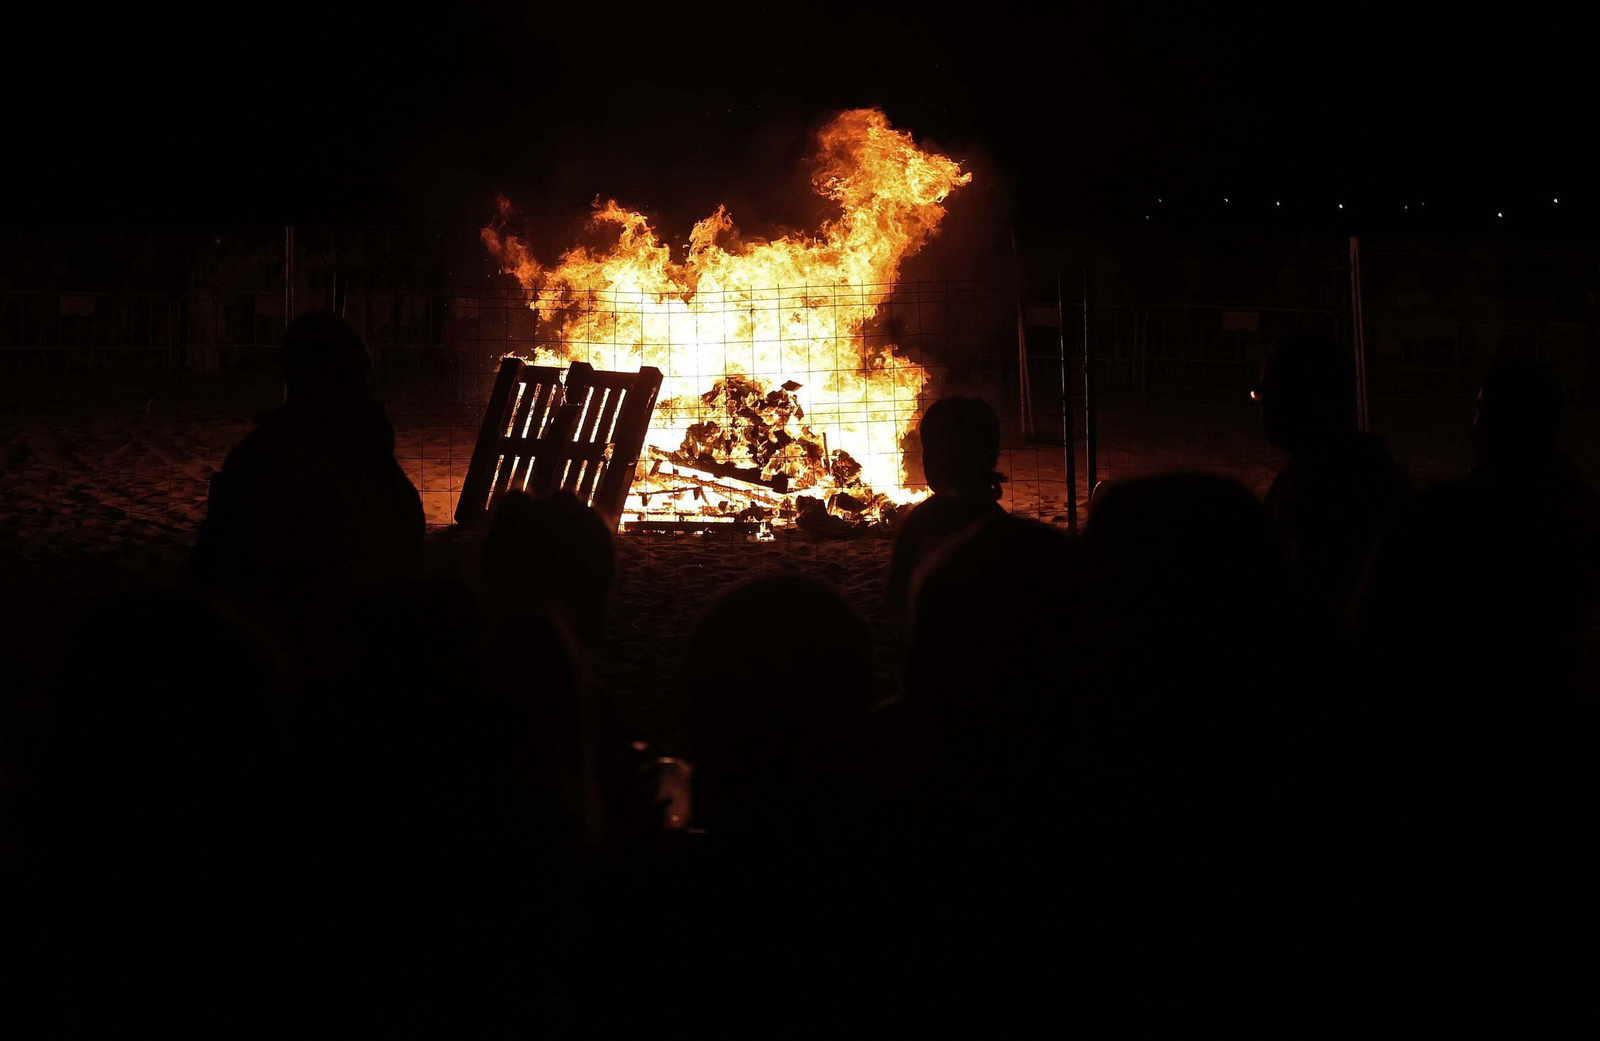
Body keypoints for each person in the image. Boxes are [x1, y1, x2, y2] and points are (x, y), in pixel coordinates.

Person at [187, 312, 423, 671]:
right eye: (359, 379)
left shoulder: (261, 454)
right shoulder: (340, 453)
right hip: (314, 647)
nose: (369, 393)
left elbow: (207, 568)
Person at [1257, 333, 1409, 628]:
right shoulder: (1331, 469)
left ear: (1302, 399)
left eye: (1266, 393)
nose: (1261, 404)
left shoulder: (1329, 491)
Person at [886, 396, 1006, 627]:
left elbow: (897, 602)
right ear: (993, 455)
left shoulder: (920, 525)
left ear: (933, 459)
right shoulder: (1007, 528)